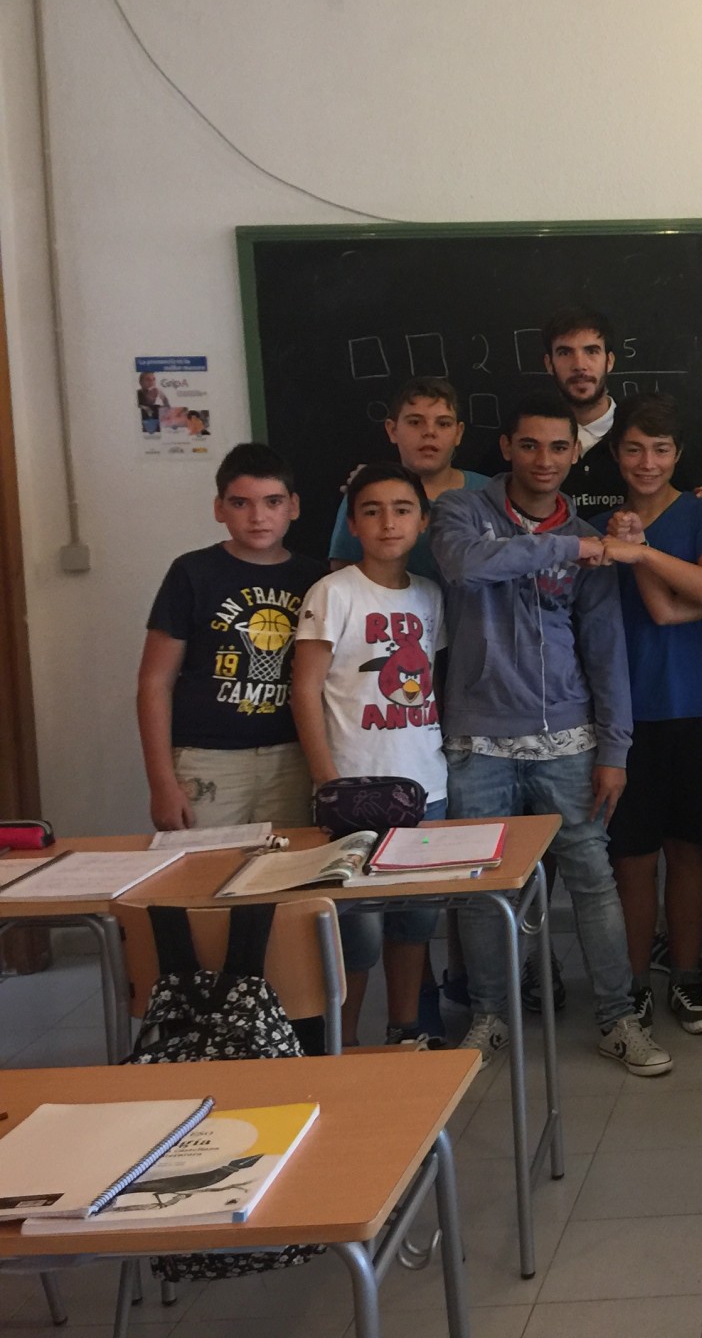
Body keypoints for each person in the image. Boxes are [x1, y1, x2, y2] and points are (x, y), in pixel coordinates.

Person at [431, 392, 670, 1077]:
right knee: (485, 886)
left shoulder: (591, 537)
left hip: (569, 739)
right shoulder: (461, 512)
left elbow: (605, 648)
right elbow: (467, 566)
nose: (545, 459)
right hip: (478, 742)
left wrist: (615, 749)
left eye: (559, 447)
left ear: (574, 453)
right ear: (506, 448)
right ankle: (490, 1016)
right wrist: (577, 546)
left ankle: (618, 1019)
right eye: (530, 445)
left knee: (593, 878)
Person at [587, 393, 702, 1035]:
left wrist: (641, 552)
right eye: (633, 449)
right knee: (629, 857)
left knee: (688, 848)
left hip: (697, 705)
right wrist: (621, 544)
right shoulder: (595, 527)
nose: (646, 462)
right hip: (620, 716)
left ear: (678, 454)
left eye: (659, 450)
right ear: (615, 453)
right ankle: (632, 987)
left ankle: (685, 975)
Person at [292, 463, 448, 1046]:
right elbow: (305, 688)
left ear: (423, 522)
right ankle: (344, 1044)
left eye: (403, 510)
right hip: (353, 791)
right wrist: (326, 780)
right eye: (372, 511)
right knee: (354, 934)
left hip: (425, 788)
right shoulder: (333, 592)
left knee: (414, 922)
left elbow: (429, 681)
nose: (389, 523)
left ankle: (405, 1029)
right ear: (352, 524)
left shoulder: (431, 595)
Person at [138, 443, 325, 832]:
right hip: (207, 757)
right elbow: (155, 682)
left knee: (285, 865)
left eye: (272, 502)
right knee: (202, 866)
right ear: (219, 508)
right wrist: (161, 784)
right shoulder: (192, 573)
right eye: (241, 503)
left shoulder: (317, 580)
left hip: (291, 757)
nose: (258, 517)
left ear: (293, 506)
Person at [328, 378, 491, 578]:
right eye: (415, 422)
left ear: (458, 433)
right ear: (392, 430)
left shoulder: (492, 493)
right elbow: (343, 573)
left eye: (443, 423)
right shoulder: (367, 491)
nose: (429, 432)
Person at [541, 308, 629, 521]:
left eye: (591, 351)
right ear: (549, 364)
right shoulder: (526, 439)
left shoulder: (646, 437)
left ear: (609, 361)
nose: (579, 365)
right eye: (565, 352)